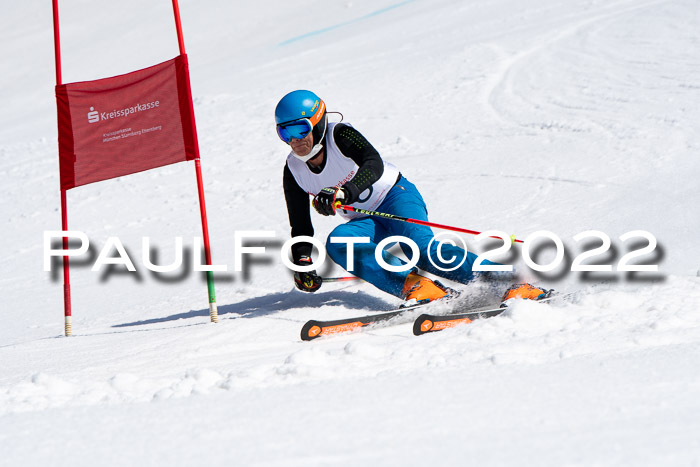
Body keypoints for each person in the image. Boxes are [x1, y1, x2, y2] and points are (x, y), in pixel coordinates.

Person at [276, 90, 547, 306]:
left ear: (318, 122)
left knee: (422, 251)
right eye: (285, 133)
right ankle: (418, 286)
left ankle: (511, 282)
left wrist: (345, 192)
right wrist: (302, 262)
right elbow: (300, 225)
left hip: (394, 196)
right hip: (366, 220)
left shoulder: (340, 134)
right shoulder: (294, 168)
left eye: (301, 129)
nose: (296, 140)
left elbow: (373, 163)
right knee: (339, 242)